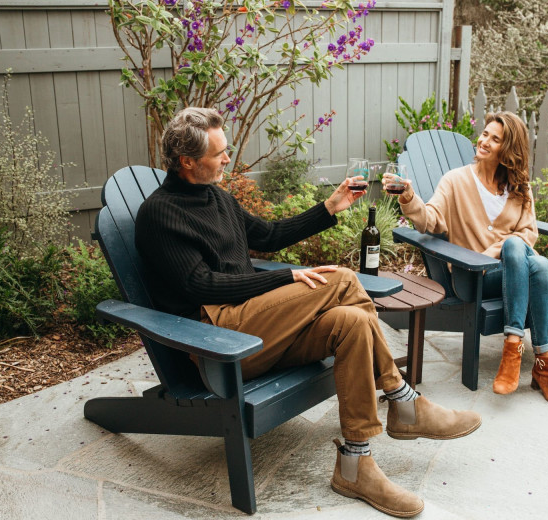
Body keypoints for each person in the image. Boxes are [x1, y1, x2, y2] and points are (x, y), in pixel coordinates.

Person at [134, 107, 482, 518]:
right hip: (217, 341)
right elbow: (200, 285)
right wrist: (285, 279)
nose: (228, 158)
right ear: (188, 161)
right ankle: (402, 399)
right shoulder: (160, 214)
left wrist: (329, 207)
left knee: (351, 322)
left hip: (259, 327)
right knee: (341, 280)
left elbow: (268, 235)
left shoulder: (217, 198)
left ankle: (356, 463)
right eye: (220, 153)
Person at [383, 111, 548, 410]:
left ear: (508, 149)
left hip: (515, 272)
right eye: (485, 133)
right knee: (537, 263)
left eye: (495, 139)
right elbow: (429, 220)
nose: (484, 141)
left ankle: (524, 351)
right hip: (474, 277)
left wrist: (501, 248)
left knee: (534, 260)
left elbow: (529, 233)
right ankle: (542, 365)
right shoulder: (456, 180)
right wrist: (409, 196)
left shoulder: (520, 187)